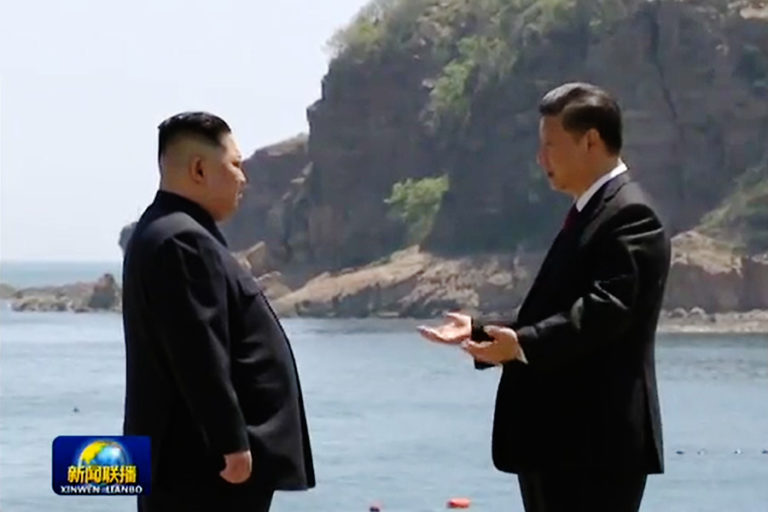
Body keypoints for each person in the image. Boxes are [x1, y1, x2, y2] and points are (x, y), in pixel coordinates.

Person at [418, 83, 670, 512]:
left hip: (595, 446)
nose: (541, 158)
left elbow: (605, 310)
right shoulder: (592, 212)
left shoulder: (629, 214)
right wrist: (480, 331)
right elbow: (556, 310)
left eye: (550, 145)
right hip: (564, 443)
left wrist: (522, 345)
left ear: (590, 141)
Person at [122, 112, 315, 511]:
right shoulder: (182, 240)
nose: (243, 178)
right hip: (204, 470)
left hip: (193, 464)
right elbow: (197, 348)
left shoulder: (166, 230)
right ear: (199, 169)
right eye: (235, 164)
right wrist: (230, 442)